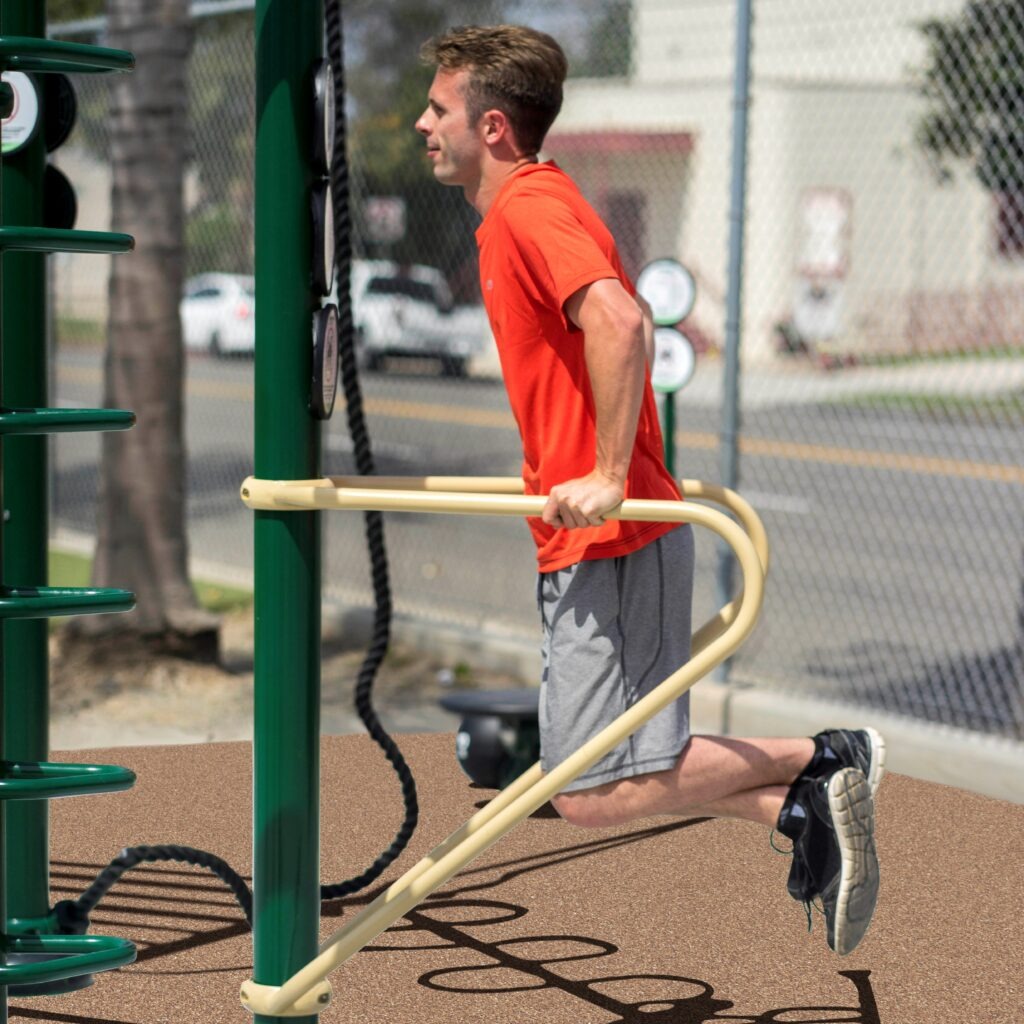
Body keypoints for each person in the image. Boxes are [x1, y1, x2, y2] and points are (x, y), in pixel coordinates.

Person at [416, 24, 883, 957]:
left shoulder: (526, 212)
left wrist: (601, 473)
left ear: (494, 127)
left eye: (438, 109)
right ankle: (799, 809)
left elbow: (621, 322)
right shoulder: (526, 207)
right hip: (598, 538)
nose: (421, 123)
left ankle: (828, 757)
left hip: (612, 537)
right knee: (616, 773)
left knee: (587, 789)